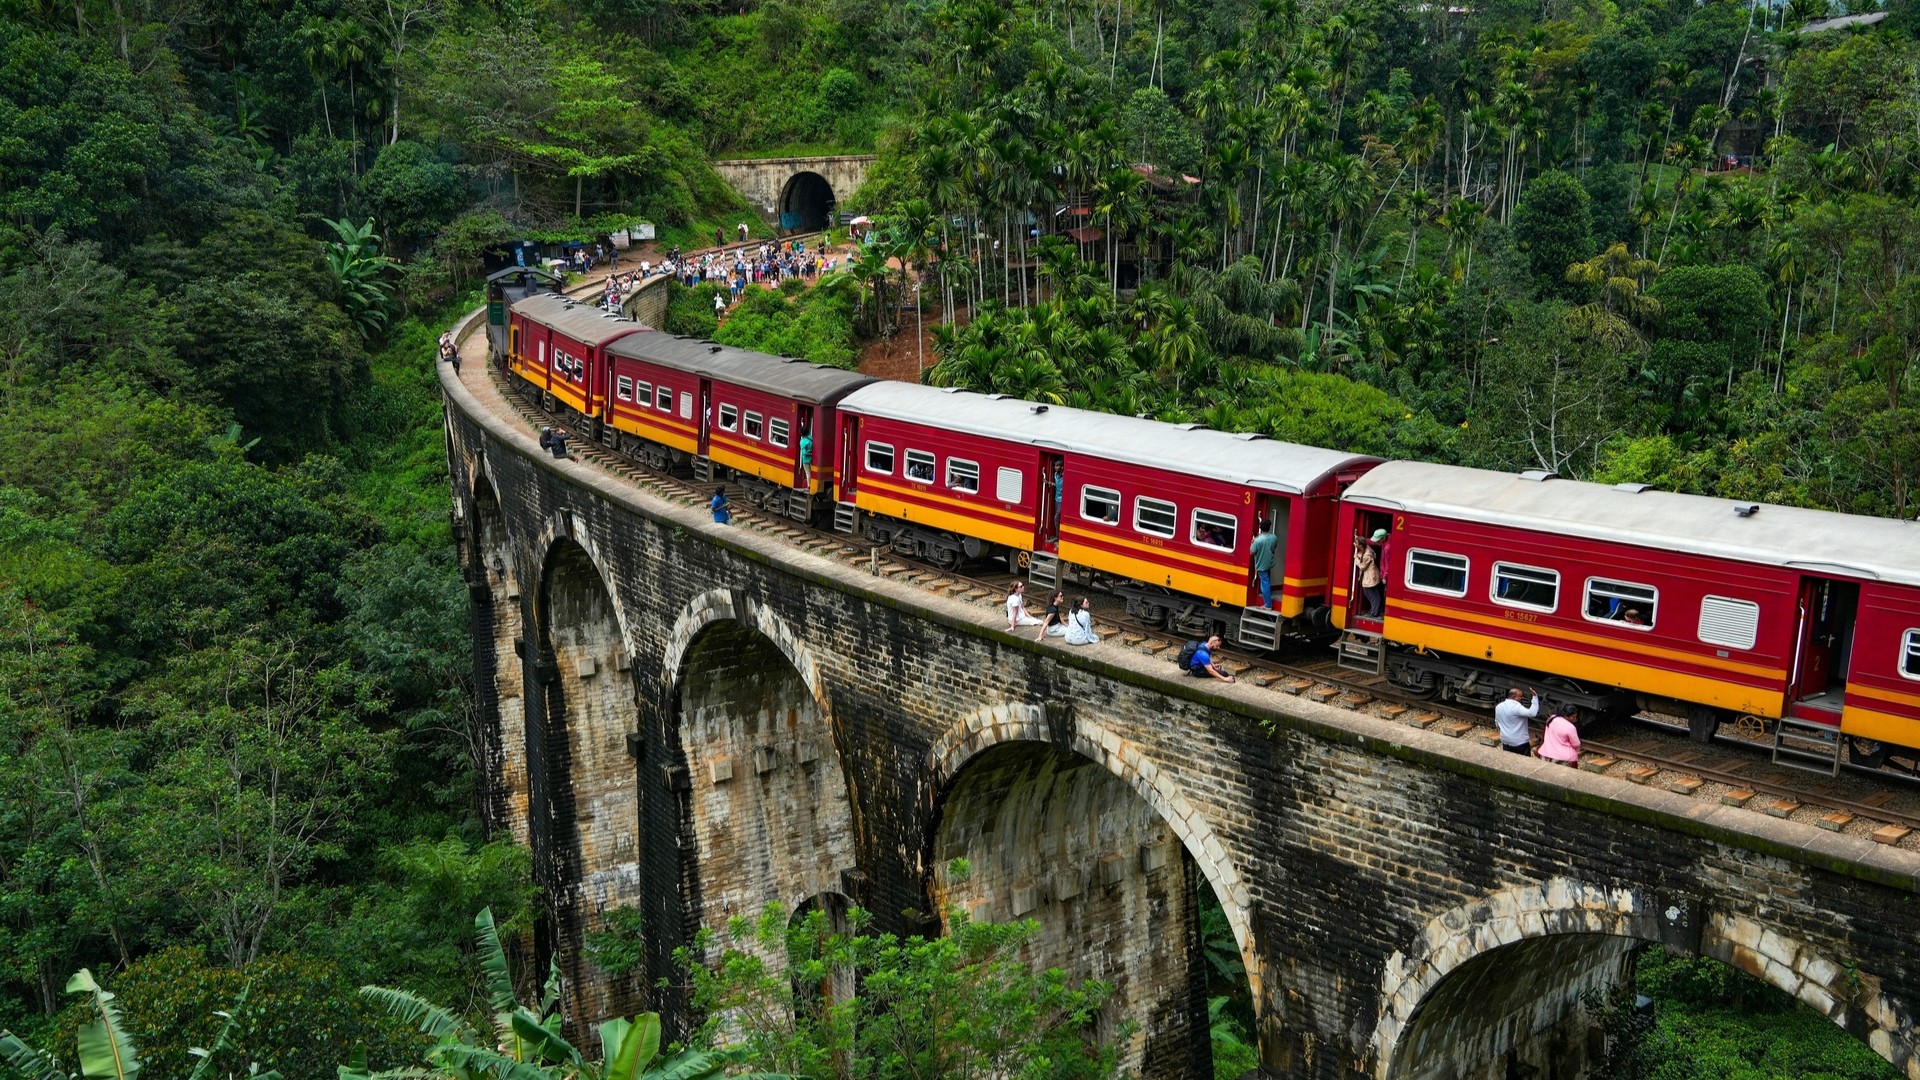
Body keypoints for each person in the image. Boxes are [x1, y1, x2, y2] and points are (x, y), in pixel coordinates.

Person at [1494, 687, 1540, 755]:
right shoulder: (1516, 708)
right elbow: (1532, 713)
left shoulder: (1498, 707)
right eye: (1520, 696)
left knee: (1508, 760)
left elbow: (1497, 723)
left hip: (1505, 741)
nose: (1522, 698)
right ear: (1513, 696)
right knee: (1524, 762)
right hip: (1519, 743)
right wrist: (1535, 697)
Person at [1250, 518, 1279, 609]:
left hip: (1261, 565)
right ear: (1269, 527)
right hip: (1270, 563)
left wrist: (1253, 540)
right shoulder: (1274, 537)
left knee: (1264, 583)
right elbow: (1273, 547)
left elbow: (1251, 552)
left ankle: (1268, 605)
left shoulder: (1258, 540)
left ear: (1260, 527)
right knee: (1267, 580)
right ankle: (1268, 600)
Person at [1354, 536, 1383, 618]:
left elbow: (1362, 566)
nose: (1355, 544)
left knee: (1373, 595)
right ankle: (1374, 609)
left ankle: (1374, 612)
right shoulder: (1366, 548)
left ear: (1360, 545)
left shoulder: (1367, 555)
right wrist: (1356, 538)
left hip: (1371, 576)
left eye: (1356, 543)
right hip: (1369, 576)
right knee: (1368, 593)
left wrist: (1356, 557)